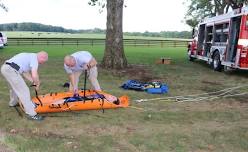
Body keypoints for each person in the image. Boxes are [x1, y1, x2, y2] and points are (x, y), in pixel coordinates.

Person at [1, 51, 48, 121]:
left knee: (14, 87)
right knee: (24, 91)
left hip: (5, 68)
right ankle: (31, 114)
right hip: (11, 70)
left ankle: (13, 103)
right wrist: (37, 83)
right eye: (43, 61)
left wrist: (33, 82)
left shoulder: (29, 56)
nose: (42, 63)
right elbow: (34, 74)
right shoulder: (34, 59)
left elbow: (24, 72)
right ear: (41, 57)